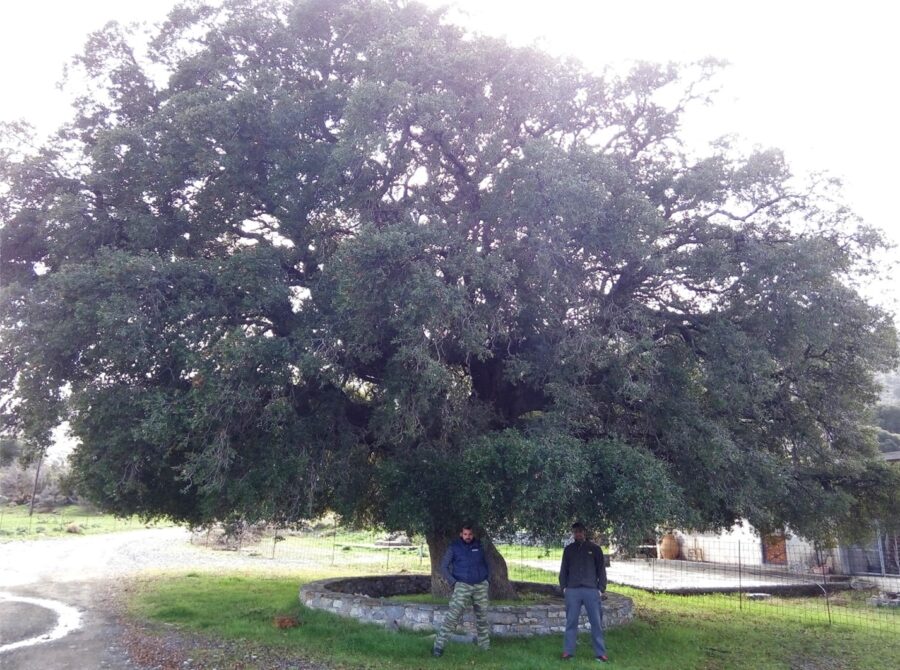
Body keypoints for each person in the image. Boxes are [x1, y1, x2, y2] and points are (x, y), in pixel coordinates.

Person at [432, 524, 491, 657]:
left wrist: (488, 580)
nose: (468, 537)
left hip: (480, 585)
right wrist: (454, 582)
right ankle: (438, 647)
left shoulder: (480, 546)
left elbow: (488, 564)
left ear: (473, 534)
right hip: (462, 585)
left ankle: (485, 647)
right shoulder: (454, 547)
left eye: (470, 534)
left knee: (482, 617)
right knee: (452, 616)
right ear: (461, 534)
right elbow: (443, 567)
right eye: (465, 534)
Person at [558, 522, 608, 662]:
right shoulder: (568, 550)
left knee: (596, 623)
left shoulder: (595, 549)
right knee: (571, 622)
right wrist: (564, 588)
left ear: (585, 532)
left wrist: (601, 589)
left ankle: (600, 654)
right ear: (573, 533)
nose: (578, 534)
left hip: (591, 590)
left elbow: (601, 570)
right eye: (575, 531)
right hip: (572, 590)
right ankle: (568, 652)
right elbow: (563, 571)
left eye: (580, 531)